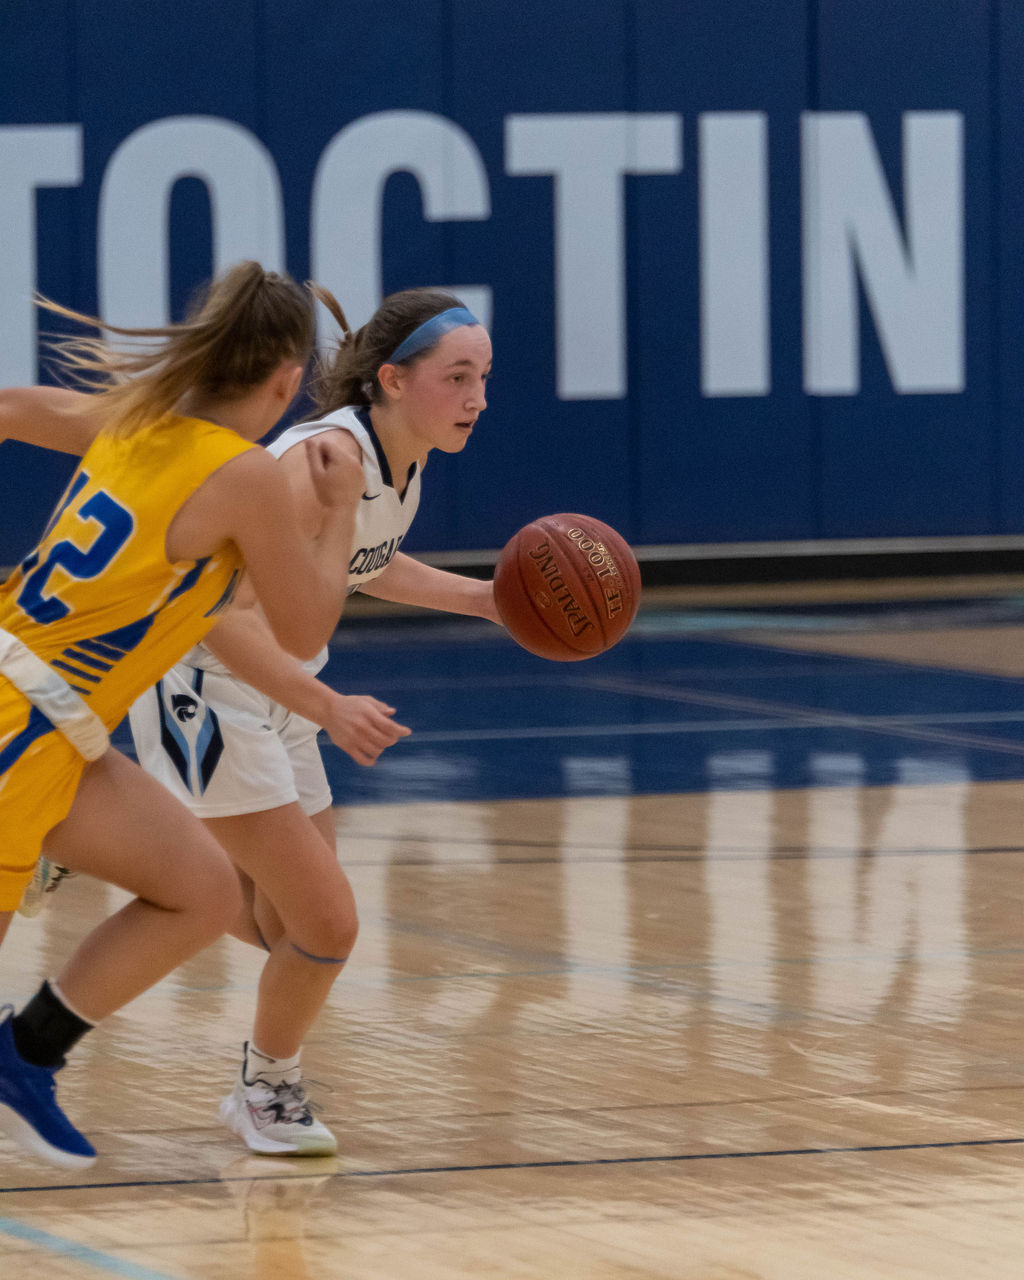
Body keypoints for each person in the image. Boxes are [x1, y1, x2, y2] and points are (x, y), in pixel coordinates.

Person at [0, 261, 366, 1169]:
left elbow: (7, 407)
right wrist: (339, 513)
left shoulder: (136, 415)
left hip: (58, 729)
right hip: (20, 727)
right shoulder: (244, 475)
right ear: (286, 381)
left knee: (203, 890)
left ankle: (25, 1055)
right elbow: (306, 627)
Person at [125, 286, 499, 1156]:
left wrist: (483, 599)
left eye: (484, 377)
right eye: (458, 377)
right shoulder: (317, 461)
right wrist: (324, 705)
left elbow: (365, 560)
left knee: (284, 927)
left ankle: (117, 843)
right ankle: (266, 1089)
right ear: (393, 380)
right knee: (326, 925)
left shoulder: (398, 457)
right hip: (203, 685)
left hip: (283, 693)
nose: (478, 397)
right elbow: (215, 611)